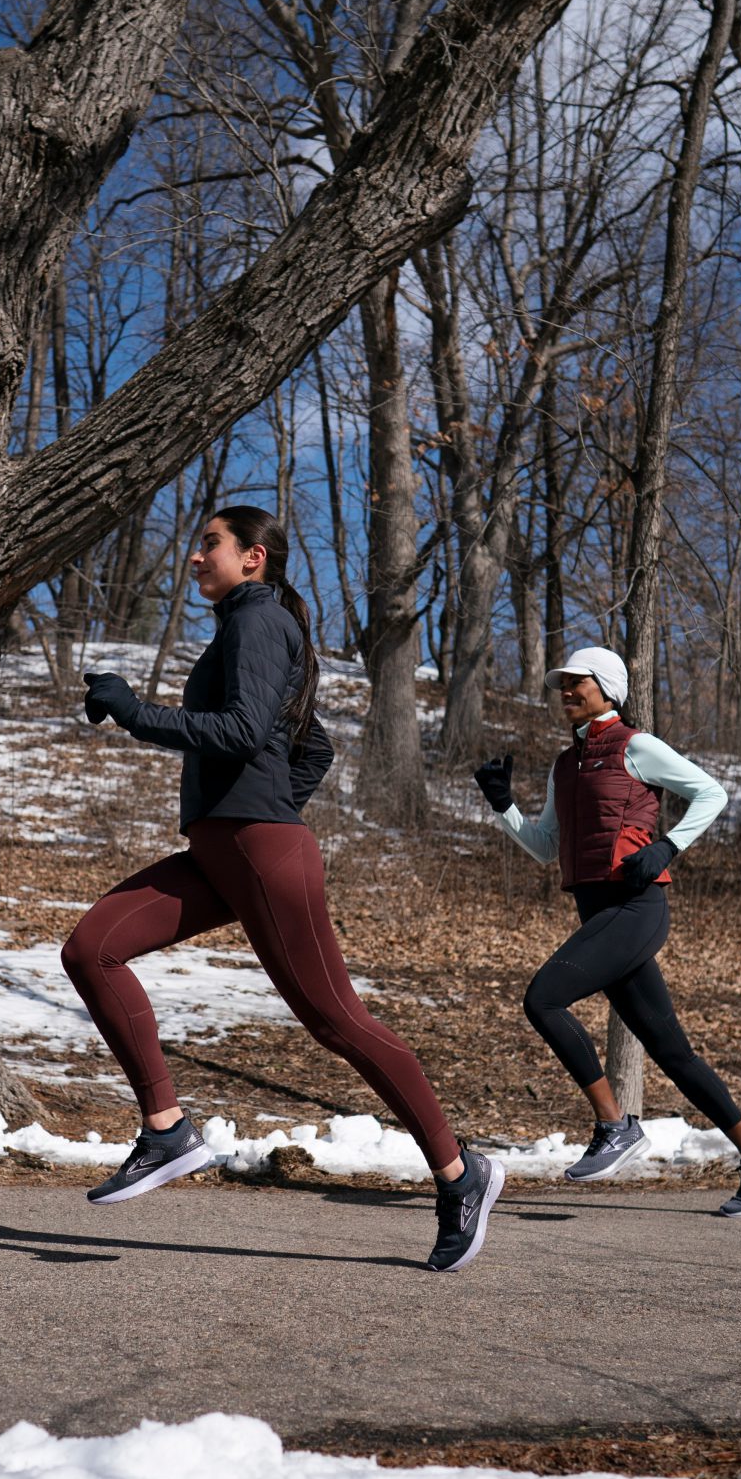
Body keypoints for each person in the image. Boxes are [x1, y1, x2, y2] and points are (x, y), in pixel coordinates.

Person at [65, 505, 504, 1272]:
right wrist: (264, 802)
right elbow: (314, 744)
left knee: (338, 1022)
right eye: (198, 545)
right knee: (93, 947)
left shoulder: (257, 623)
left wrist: (139, 714)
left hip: (258, 851)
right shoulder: (247, 624)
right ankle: (166, 1129)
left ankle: (461, 1174)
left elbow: (239, 731)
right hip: (225, 850)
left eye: (211, 544)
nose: (196, 557)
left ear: (253, 556)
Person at [474, 646, 741, 1218]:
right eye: (562, 685)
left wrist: (671, 844)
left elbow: (711, 792)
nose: (566, 692)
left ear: (607, 688)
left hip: (636, 907)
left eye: (577, 683)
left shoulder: (636, 746)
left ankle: (614, 1124)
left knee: (543, 999)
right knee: (673, 1051)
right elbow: (548, 848)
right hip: (600, 916)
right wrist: (504, 806)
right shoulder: (564, 764)